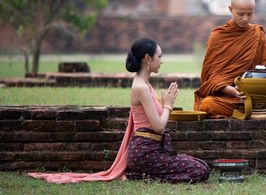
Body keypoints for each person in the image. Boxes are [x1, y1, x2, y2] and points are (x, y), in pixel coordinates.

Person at [29, 38, 209, 184]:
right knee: (200, 171)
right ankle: (135, 177)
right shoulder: (140, 87)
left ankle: (139, 175)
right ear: (147, 58)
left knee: (202, 165)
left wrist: (163, 103)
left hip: (152, 150)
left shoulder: (145, 84)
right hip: (146, 152)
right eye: (159, 56)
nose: (161, 61)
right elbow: (158, 126)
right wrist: (168, 104)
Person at [194, 0, 266, 118]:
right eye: (241, 14)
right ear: (230, 9)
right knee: (208, 105)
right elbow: (211, 76)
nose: (245, 18)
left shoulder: (258, 34)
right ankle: (253, 111)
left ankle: (253, 110)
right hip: (231, 97)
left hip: (259, 95)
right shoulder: (218, 36)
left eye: (250, 14)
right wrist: (231, 91)